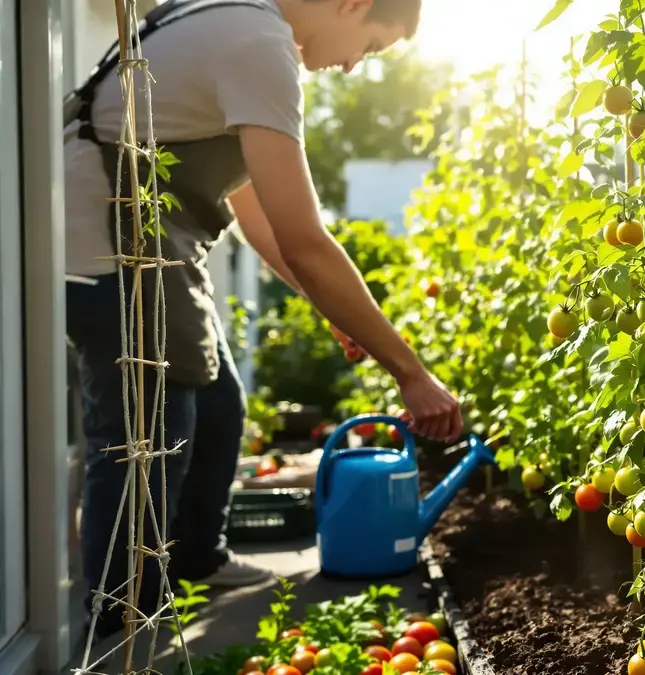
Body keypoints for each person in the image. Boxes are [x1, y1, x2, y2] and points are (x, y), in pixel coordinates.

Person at [63, 0, 460, 639]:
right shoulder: (260, 43)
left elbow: (263, 221)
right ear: (352, 4)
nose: (353, 66)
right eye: (369, 46)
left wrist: (325, 302)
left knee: (219, 403)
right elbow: (305, 240)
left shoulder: (240, 23)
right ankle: (122, 624)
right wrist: (410, 372)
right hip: (108, 247)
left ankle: (197, 559)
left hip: (153, 245)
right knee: (148, 433)